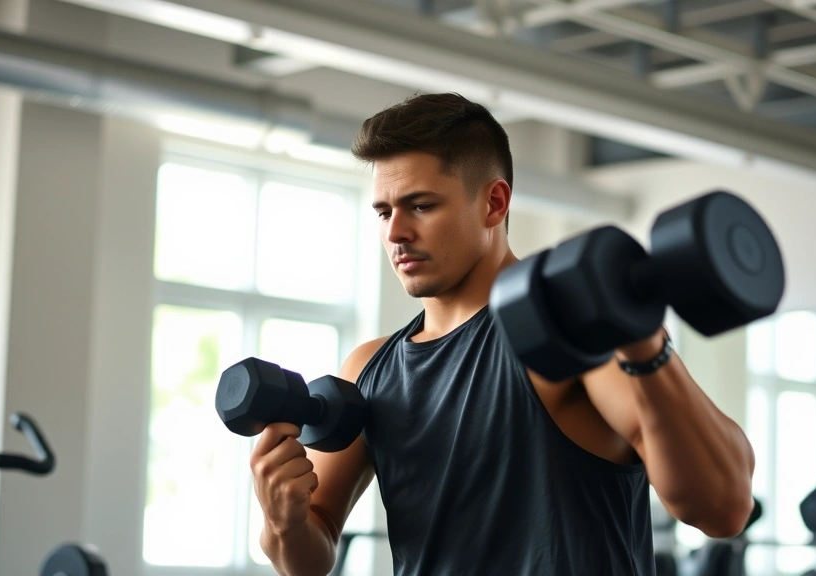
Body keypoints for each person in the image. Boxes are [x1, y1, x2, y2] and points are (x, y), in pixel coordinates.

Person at [249, 92, 756, 576]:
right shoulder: (369, 370)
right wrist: (284, 522)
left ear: (493, 203)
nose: (395, 232)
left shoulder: (568, 332)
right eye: (384, 212)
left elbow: (722, 509)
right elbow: (309, 559)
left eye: (421, 206)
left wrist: (645, 344)